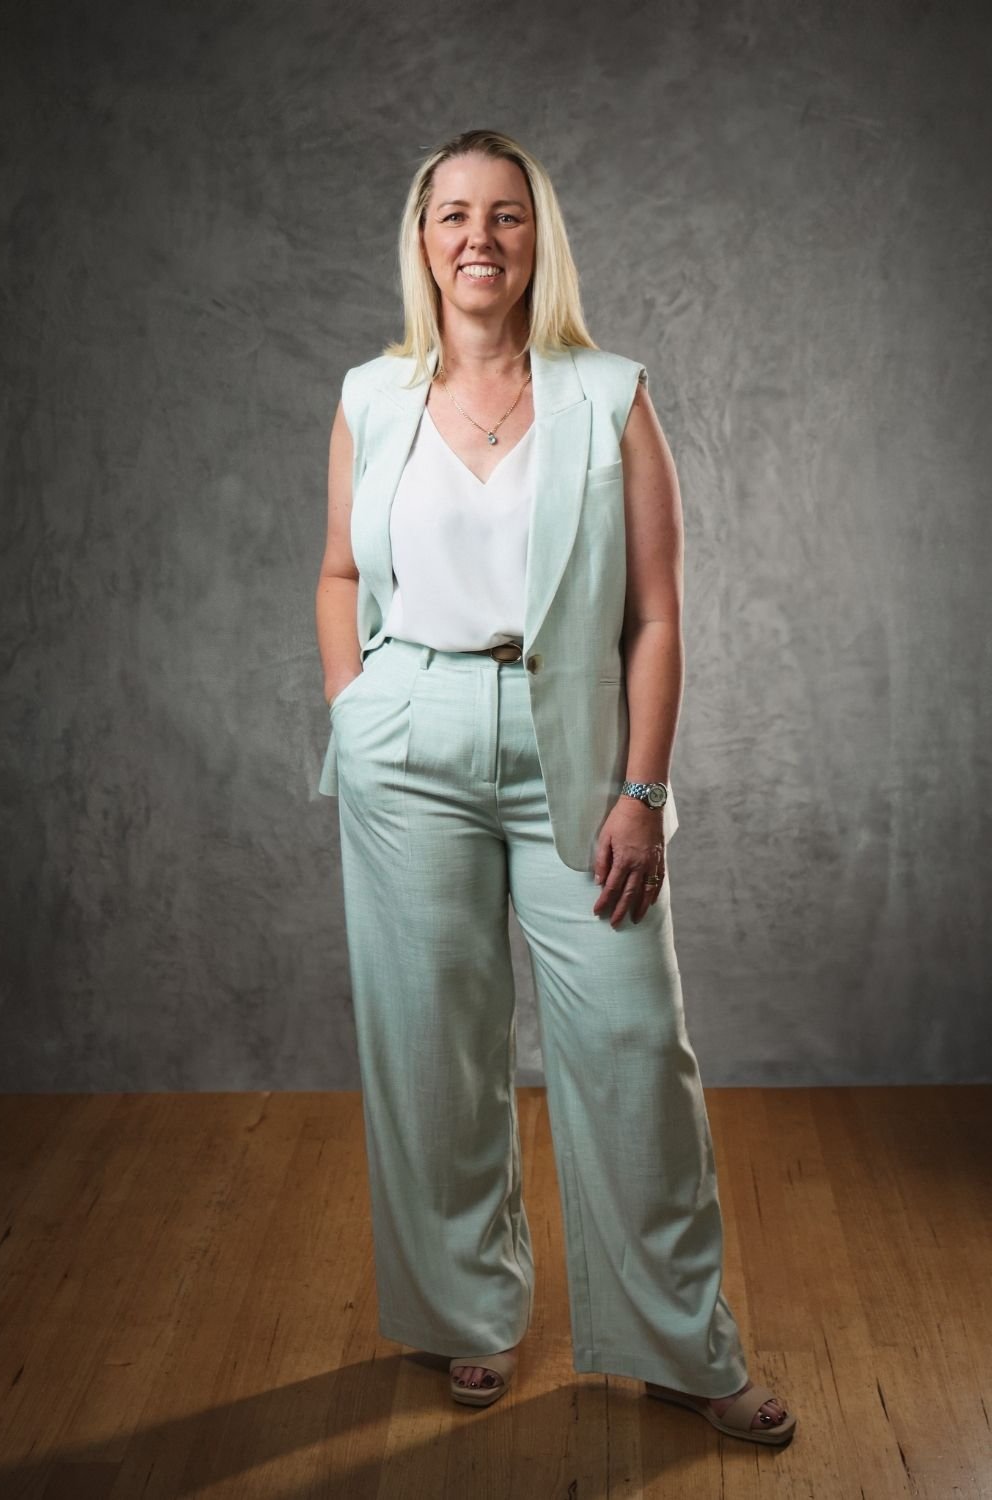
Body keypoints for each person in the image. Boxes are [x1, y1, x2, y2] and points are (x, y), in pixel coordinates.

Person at [314, 128, 796, 1446]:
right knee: (433, 1049)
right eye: (453, 213)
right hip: (406, 746)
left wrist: (640, 788)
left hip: (575, 752)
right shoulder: (369, 396)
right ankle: (466, 1317)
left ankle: (680, 1346)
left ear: (540, 241)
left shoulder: (611, 393)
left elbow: (656, 616)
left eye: (508, 215)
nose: (480, 235)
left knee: (636, 1047)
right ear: (422, 240)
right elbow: (341, 579)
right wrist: (355, 712)